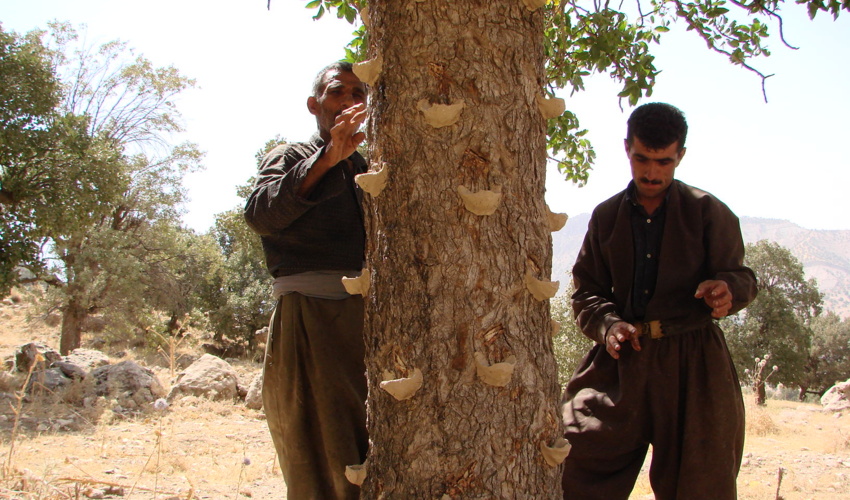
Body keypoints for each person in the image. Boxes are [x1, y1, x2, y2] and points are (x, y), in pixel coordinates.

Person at [560, 102, 758, 500]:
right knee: (572, 459)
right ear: (627, 149)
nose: (651, 172)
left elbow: (742, 277)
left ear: (680, 155)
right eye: (642, 159)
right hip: (620, 364)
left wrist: (726, 291)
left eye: (664, 161)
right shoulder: (606, 216)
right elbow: (586, 292)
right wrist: (608, 325)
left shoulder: (709, 212)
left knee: (702, 483)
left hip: (696, 368)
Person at [244, 61, 368, 500]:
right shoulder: (291, 156)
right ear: (314, 104)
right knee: (320, 454)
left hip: (368, 327)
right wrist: (328, 158)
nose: (350, 101)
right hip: (309, 322)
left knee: (368, 452)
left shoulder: (371, 171)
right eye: (339, 91)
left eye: (359, 94)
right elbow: (261, 214)